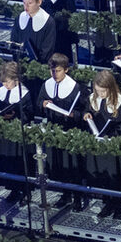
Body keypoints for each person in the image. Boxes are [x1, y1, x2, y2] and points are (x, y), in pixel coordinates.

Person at [40, 53, 87, 210]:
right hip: (54, 131)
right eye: (52, 70)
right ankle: (66, 194)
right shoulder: (47, 84)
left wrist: (74, 115)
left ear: (66, 70)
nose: (54, 74)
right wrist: (43, 104)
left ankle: (78, 198)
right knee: (60, 166)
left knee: (73, 166)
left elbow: (84, 112)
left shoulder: (75, 87)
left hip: (71, 132)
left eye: (58, 71)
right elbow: (38, 104)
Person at [84, 70, 121, 219]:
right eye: (97, 91)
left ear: (110, 88)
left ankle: (118, 206)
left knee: (114, 177)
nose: (100, 94)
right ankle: (107, 204)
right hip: (99, 146)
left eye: (103, 91)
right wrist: (87, 115)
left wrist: (111, 136)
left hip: (113, 147)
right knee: (103, 176)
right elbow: (87, 112)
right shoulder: (93, 99)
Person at [0, 62, 34, 204]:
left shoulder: (25, 93)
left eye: (8, 82)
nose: (5, 86)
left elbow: (29, 114)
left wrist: (15, 117)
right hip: (5, 134)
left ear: (16, 79)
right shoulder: (1, 92)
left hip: (19, 135)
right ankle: (13, 189)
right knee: (8, 162)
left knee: (21, 163)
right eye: (3, 83)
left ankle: (26, 191)